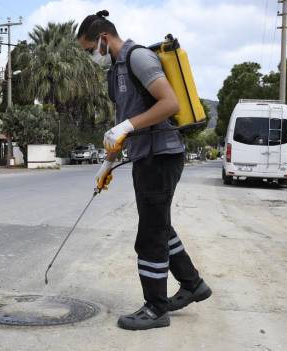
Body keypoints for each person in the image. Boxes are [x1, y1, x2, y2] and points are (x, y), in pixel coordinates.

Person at [77, 10, 211, 331]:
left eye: (88, 50)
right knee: (160, 225)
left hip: (162, 156)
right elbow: (126, 125)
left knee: (150, 233)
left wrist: (126, 125)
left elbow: (170, 103)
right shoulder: (115, 72)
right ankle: (193, 284)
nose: (88, 57)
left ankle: (156, 308)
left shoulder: (139, 59)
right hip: (145, 157)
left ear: (103, 40)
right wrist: (108, 164)